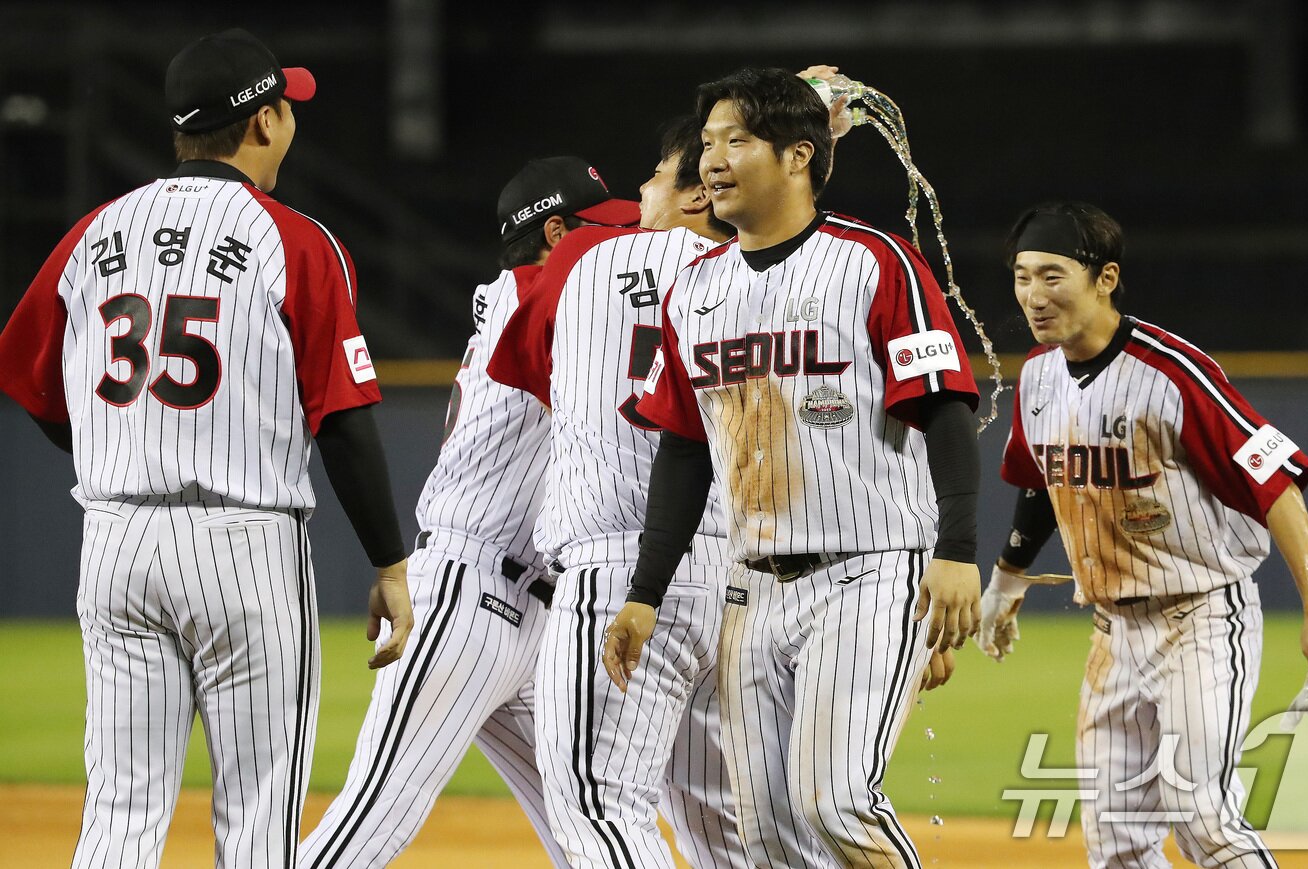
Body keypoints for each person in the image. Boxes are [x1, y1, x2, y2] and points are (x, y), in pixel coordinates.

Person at [0, 28, 413, 868]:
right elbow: (343, 416)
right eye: (285, 107)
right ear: (262, 123)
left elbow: (33, 382)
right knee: (258, 817)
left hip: (114, 536)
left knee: (119, 810)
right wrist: (390, 563)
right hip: (243, 546)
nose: (291, 120)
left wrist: (111, 455)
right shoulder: (295, 241)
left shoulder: (93, 233)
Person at [601, 67, 981, 867]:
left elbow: (945, 403)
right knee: (767, 829)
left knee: (835, 800)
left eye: (736, 140)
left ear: (799, 155)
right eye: (706, 143)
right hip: (752, 587)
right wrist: (645, 592)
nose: (712, 160)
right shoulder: (692, 290)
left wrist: (956, 550)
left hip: (871, 570)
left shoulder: (875, 262)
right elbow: (682, 448)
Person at [977, 200, 1308, 869]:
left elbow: (1276, 486)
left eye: (1052, 275)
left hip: (1200, 620)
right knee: (1118, 846)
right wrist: (1007, 578)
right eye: (1022, 276)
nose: (1033, 296)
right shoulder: (1038, 374)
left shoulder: (1173, 372)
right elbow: (1039, 478)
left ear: (1105, 277)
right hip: (1111, 631)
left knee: (1205, 820)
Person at [299, 156, 638, 867]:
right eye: (605, 228)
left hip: (531, 614)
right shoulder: (534, 296)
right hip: (468, 592)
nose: (625, 241)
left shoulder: (546, 298)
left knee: (597, 817)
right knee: (373, 818)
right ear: (556, 235)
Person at [487, 115, 751, 868]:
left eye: (653, 179)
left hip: (621, 571)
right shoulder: (758, 280)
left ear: (700, 191)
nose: (637, 196)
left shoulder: (581, 258)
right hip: (733, 576)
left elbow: (536, 372)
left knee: (600, 802)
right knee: (720, 826)